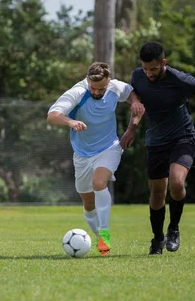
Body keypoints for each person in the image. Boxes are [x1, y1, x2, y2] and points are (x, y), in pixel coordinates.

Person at [120, 41, 195, 255]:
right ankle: (157, 239)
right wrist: (131, 128)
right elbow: (137, 105)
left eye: (153, 68)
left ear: (163, 63)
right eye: (145, 68)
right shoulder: (138, 77)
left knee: (177, 183)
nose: (149, 73)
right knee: (157, 193)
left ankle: (174, 228)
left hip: (183, 138)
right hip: (155, 141)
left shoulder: (179, 80)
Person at [48, 62, 145, 256]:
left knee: (99, 182)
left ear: (108, 82)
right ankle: (98, 235)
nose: (96, 91)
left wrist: (134, 103)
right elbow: (52, 115)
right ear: (87, 80)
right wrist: (71, 121)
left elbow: (130, 92)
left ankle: (105, 233)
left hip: (109, 147)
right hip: (82, 155)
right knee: (88, 203)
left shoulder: (115, 87)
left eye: (101, 88)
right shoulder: (78, 92)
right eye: (93, 87)